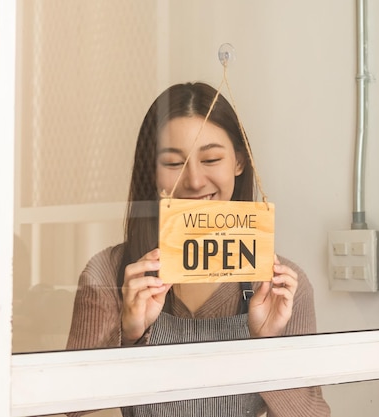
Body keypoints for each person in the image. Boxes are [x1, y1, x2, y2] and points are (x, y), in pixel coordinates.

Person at [67, 82, 330, 416]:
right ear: (152, 173)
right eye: (174, 163)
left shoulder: (280, 287)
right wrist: (128, 336)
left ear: (239, 162)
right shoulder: (108, 273)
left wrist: (268, 347)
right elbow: (74, 409)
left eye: (211, 159)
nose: (193, 181)